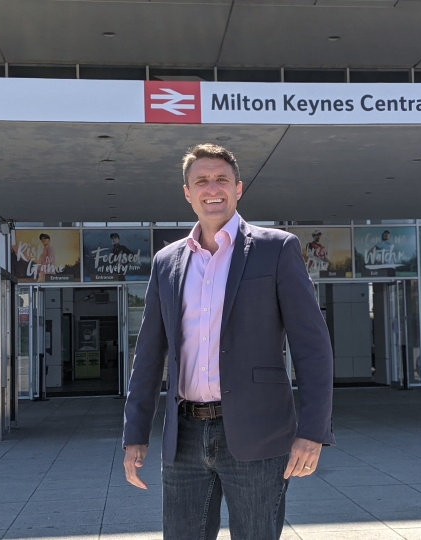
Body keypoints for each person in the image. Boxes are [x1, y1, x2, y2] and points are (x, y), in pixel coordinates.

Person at [122, 143, 334, 540]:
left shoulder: (276, 249)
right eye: (201, 180)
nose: (212, 188)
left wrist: (313, 429)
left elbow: (313, 347)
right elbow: (149, 353)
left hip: (260, 433)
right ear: (187, 192)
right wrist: (135, 432)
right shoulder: (167, 262)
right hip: (183, 437)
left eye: (222, 179)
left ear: (238, 188)